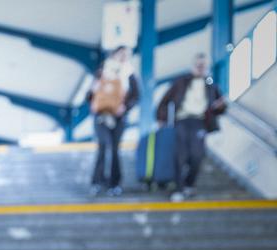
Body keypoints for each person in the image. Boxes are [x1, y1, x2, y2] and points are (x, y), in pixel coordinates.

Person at [157, 52, 227, 202]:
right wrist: (161, 118)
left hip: (200, 122)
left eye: (203, 65)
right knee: (180, 155)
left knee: (197, 155)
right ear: (193, 65)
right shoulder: (181, 81)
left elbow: (219, 108)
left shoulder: (211, 86)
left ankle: (189, 184)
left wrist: (221, 106)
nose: (200, 68)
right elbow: (164, 100)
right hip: (182, 120)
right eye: (198, 65)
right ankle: (178, 188)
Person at [87, 45, 140, 196]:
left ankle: (114, 183)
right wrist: (92, 92)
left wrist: (125, 107)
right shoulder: (102, 73)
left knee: (115, 149)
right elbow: (89, 96)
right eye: (121, 54)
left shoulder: (130, 75)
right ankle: (97, 181)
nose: (123, 57)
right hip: (102, 115)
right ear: (114, 55)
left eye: (126, 55)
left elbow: (137, 96)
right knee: (104, 145)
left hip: (119, 117)